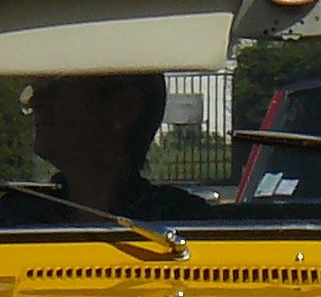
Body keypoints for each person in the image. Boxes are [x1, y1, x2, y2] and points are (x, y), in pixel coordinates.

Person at [29, 73, 209, 223]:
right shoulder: (14, 219)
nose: (35, 102)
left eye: (55, 89)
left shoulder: (183, 224)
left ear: (124, 108)